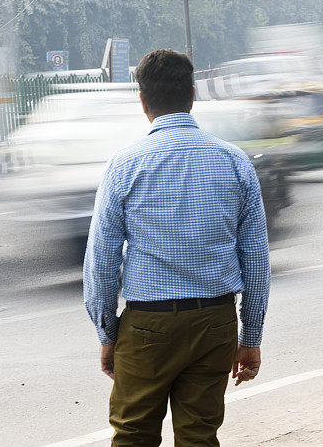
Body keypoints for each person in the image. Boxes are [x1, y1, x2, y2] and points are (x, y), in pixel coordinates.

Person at [83, 49, 271, 446]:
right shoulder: (234, 161)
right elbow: (255, 260)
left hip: (148, 327)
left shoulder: (125, 165)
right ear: (193, 94)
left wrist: (107, 332)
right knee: (200, 436)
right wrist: (250, 336)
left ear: (143, 101)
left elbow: (101, 260)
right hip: (215, 323)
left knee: (133, 435)